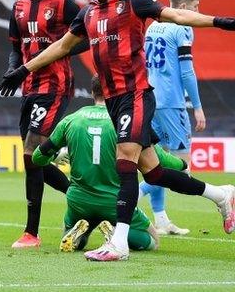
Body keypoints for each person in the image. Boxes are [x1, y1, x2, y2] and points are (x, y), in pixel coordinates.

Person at [0, 0, 235, 261]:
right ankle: (222, 195)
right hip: (113, 100)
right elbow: (61, 47)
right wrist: (23, 70)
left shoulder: (134, 1)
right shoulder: (87, 13)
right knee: (153, 173)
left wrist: (222, 22)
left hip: (136, 93)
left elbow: (178, 15)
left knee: (124, 161)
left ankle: (119, 243)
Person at [33, 76, 193, 253]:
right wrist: (183, 165)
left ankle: (79, 233)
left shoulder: (71, 120)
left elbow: (37, 158)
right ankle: (114, 230)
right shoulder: (126, 120)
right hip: (114, 201)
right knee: (153, 241)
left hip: (78, 200)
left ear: (92, 92)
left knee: (72, 229)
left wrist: (53, 156)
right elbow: (160, 160)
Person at [0, 0, 87, 249]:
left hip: (55, 85)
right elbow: (15, 47)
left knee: (31, 152)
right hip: (28, 87)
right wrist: (13, 71)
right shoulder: (19, 6)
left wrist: (57, 52)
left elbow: (87, 39)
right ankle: (85, 197)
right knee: (32, 158)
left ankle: (31, 233)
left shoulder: (64, 4)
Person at [138, 0, 205, 236]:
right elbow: (187, 71)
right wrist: (197, 107)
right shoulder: (183, 27)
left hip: (151, 99)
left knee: (155, 161)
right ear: (184, 7)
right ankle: (130, 197)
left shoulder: (153, 26)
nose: (198, 12)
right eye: (196, 8)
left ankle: (161, 219)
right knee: (182, 167)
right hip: (172, 102)